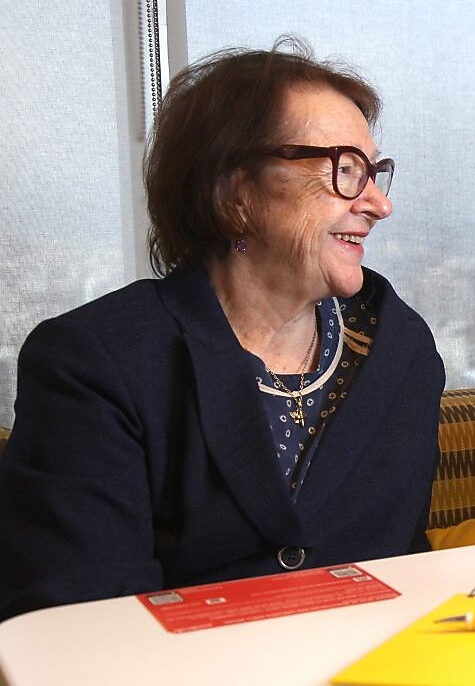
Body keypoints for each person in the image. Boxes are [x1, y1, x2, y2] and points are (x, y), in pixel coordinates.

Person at [0, 39, 445, 620]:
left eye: (375, 172)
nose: (379, 203)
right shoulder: (93, 362)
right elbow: (78, 622)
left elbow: (405, 569)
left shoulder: (400, 349)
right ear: (235, 192)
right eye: (345, 171)